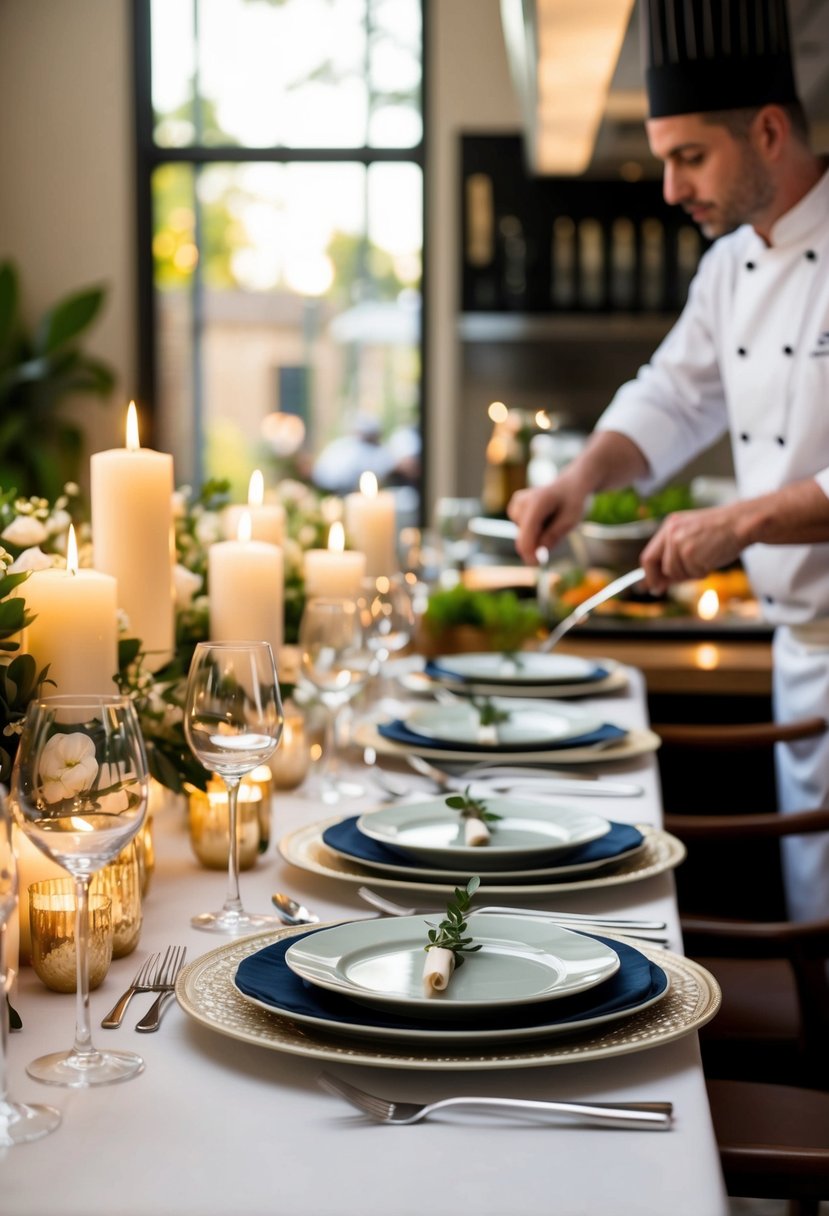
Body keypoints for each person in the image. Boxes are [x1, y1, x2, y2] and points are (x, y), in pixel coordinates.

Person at [508, 0, 829, 922]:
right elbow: (672, 396)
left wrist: (743, 519)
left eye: (689, 157)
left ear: (767, 130)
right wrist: (578, 478)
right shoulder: (730, 267)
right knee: (817, 921)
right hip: (798, 657)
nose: (667, 187)